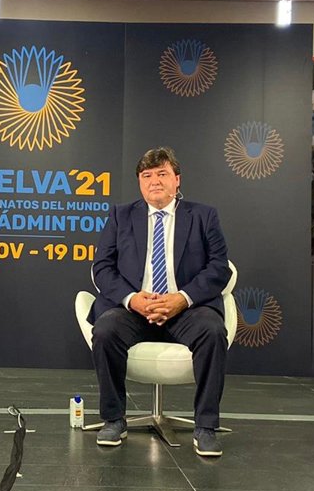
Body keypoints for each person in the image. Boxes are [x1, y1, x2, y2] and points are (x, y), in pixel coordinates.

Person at [89, 146, 231, 456]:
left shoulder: (203, 216)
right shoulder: (121, 215)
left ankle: (206, 426)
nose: (154, 181)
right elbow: (102, 267)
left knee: (213, 332)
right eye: (147, 176)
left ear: (177, 179)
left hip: (186, 309)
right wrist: (132, 299)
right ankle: (113, 419)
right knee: (105, 330)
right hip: (135, 310)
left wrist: (182, 298)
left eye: (162, 174)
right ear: (140, 182)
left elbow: (219, 267)